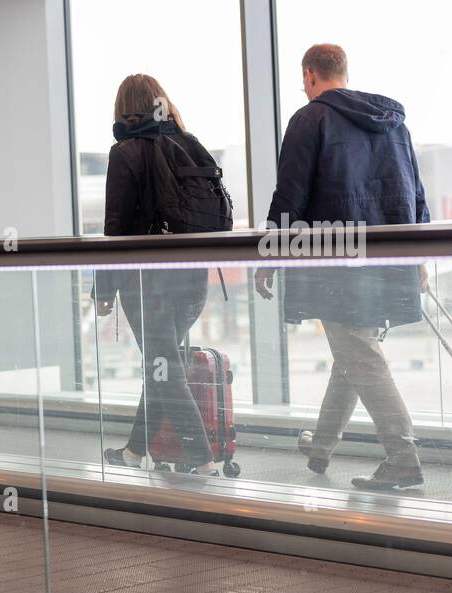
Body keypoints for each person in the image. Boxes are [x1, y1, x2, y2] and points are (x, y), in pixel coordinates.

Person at [256, 44, 430, 490]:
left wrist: (269, 256)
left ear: (310, 74)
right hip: (389, 258)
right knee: (352, 355)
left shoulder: (309, 118)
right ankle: (321, 447)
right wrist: (419, 257)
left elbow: (289, 194)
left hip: (336, 262)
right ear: (344, 73)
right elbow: (416, 193)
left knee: (361, 357)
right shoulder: (393, 124)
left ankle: (403, 456)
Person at [94, 73, 219, 476]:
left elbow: (116, 229)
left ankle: (201, 459)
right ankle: (134, 450)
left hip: (148, 286)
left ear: (123, 108)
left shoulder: (126, 152)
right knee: (162, 365)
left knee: (164, 369)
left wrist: (103, 289)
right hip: (193, 279)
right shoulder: (187, 143)